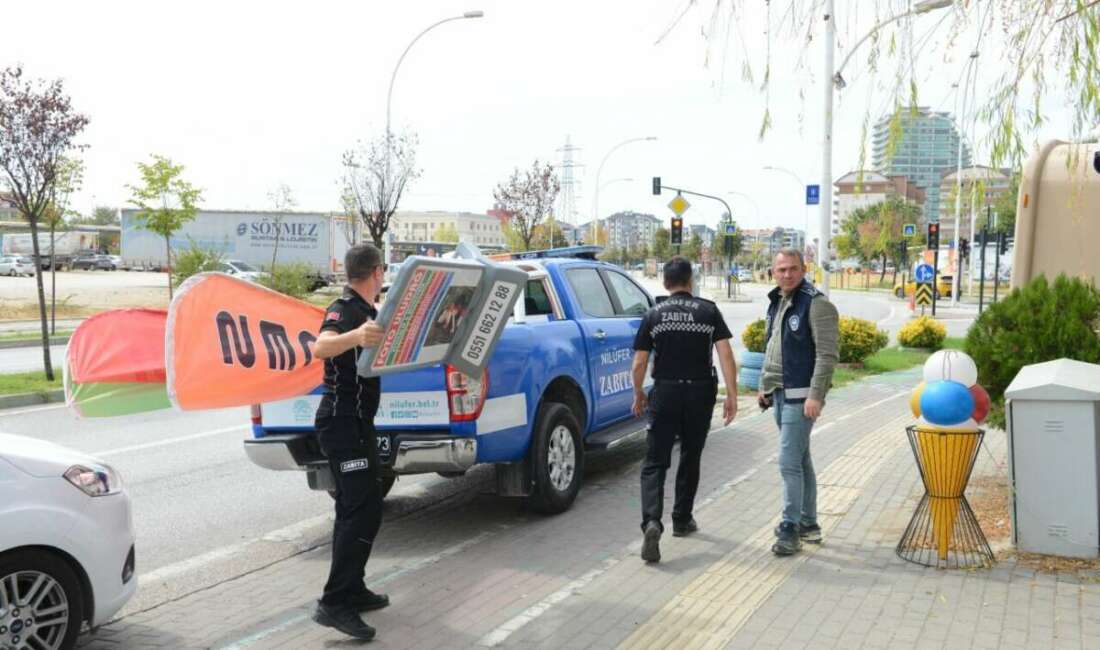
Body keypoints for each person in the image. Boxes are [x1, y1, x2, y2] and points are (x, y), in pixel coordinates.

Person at [631, 256, 738, 563]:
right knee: (691, 455)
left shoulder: (653, 314)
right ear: (690, 282)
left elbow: (639, 362)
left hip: (664, 392)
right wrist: (731, 395)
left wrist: (638, 392)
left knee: (655, 461)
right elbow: (726, 354)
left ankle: (652, 521)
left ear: (665, 283)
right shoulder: (708, 310)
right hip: (700, 392)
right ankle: (681, 519)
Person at [310, 244, 391, 640]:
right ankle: (334, 602)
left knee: (367, 507)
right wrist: (356, 335)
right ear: (376, 271)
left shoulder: (372, 312)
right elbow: (320, 346)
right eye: (384, 271)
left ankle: (353, 587)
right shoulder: (344, 310)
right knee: (357, 510)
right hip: (340, 423)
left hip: (360, 423)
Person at [758, 248, 839, 556]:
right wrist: (765, 386)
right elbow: (773, 347)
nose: (787, 274)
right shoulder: (777, 301)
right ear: (773, 271)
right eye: (781, 270)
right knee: (801, 460)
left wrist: (816, 395)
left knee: (788, 462)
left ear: (804, 270)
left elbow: (827, 355)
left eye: (793, 269)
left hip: (801, 397)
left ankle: (789, 527)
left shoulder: (816, 305)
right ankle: (809, 525)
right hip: (779, 392)